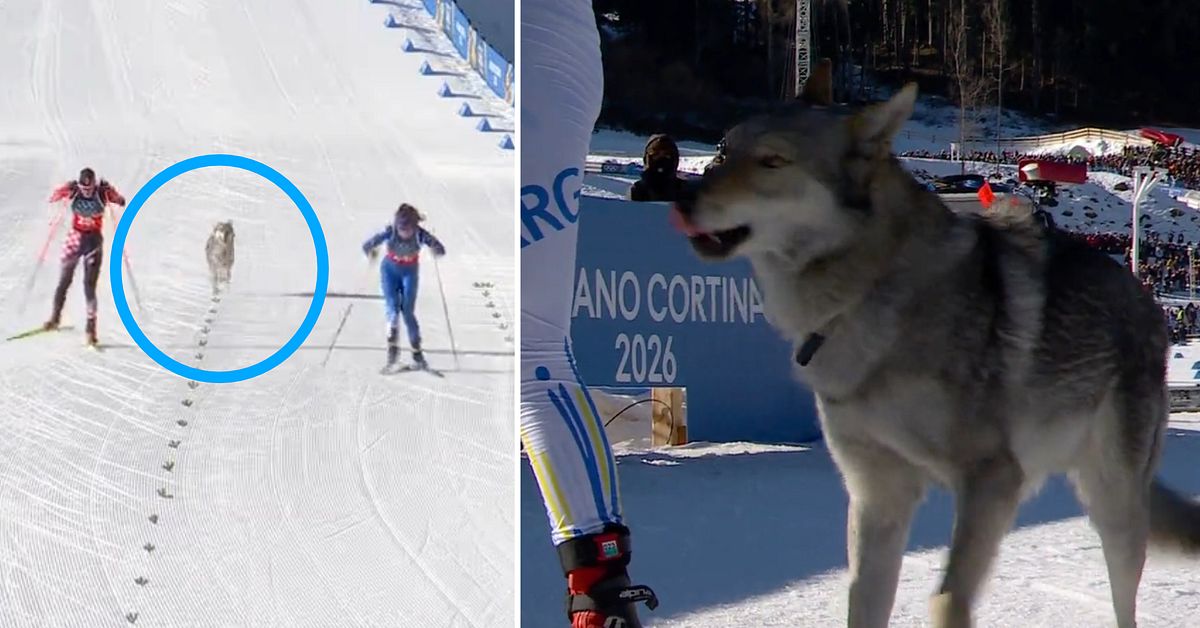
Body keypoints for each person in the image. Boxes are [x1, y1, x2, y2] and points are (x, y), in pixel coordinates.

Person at [521, 1, 658, 627]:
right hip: (539, 46)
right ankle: (600, 589)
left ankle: (600, 590)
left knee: (530, 354)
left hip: (500, 47)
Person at [43, 167, 126, 346]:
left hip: (93, 241)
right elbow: (53, 197)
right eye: (83, 188)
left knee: (89, 286)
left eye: (90, 188)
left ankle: (91, 330)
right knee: (64, 280)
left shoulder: (101, 193)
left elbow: (121, 201)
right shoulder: (75, 190)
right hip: (75, 238)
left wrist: (112, 193)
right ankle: (55, 318)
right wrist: (63, 191)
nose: (87, 191)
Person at [362, 203, 446, 370]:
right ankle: (392, 350)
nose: (404, 232)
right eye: (401, 228)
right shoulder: (391, 232)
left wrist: (436, 249)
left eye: (408, 229)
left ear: (415, 227)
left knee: (407, 311)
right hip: (390, 271)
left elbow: (440, 248)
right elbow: (368, 244)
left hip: (409, 272)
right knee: (392, 307)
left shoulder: (420, 235)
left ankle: (417, 351)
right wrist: (370, 251)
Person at [629, 134, 686, 202]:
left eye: (667, 155)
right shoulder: (637, 190)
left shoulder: (686, 191)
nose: (661, 159)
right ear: (647, 158)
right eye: (656, 155)